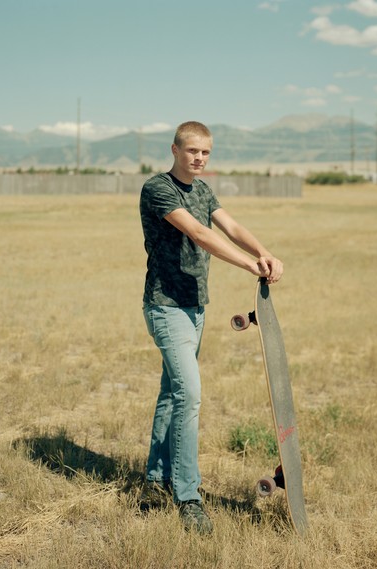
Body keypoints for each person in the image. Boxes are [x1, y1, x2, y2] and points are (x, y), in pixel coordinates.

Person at [138, 121, 284, 535]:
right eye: (192, 151)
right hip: (165, 306)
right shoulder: (158, 188)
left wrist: (264, 250)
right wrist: (249, 265)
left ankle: (155, 481)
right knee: (190, 394)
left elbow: (229, 225)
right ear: (175, 149)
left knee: (172, 393)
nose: (199, 158)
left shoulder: (203, 189)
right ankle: (187, 496)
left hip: (195, 307)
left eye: (206, 152)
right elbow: (200, 234)